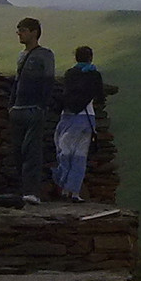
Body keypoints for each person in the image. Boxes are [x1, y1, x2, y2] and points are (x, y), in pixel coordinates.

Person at [9, 17, 55, 205]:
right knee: (18, 152)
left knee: (32, 151)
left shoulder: (45, 55)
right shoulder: (21, 55)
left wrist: (42, 106)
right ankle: (24, 190)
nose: (19, 33)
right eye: (18, 30)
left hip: (34, 109)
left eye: (23, 30)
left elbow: (49, 81)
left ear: (34, 32)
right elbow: (17, 82)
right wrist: (11, 106)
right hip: (18, 109)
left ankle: (31, 192)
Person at [52, 45, 105, 203]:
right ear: (91, 57)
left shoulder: (70, 74)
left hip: (69, 116)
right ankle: (74, 192)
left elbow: (66, 94)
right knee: (80, 157)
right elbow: (100, 96)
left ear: (76, 58)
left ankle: (62, 187)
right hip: (88, 118)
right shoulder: (95, 75)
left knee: (64, 152)